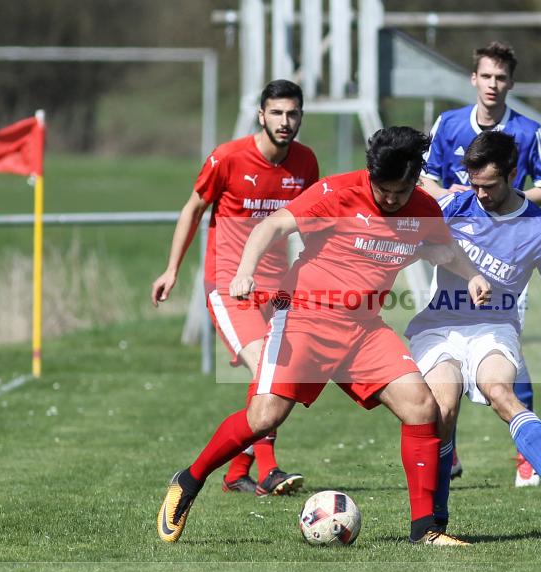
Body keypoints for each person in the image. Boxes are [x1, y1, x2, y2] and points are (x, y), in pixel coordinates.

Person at [157, 126, 492, 546]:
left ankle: (426, 531)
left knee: (422, 406)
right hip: (305, 320)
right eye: (382, 189)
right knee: (264, 418)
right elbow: (272, 226)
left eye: (399, 191)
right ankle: (188, 481)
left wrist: (473, 274)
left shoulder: (423, 207)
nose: (389, 199)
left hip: (365, 330)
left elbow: (444, 250)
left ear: (415, 181)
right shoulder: (338, 191)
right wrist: (245, 270)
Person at [405, 131, 541, 531]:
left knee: (501, 391)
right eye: (474, 184)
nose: (480, 194)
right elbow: (410, 245)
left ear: (512, 173)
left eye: (489, 185)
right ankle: (437, 517)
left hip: (494, 327)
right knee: (443, 407)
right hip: (440, 326)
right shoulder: (454, 204)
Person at [150, 80, 317, 497]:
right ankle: (269, 469)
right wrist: (172, 269)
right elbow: (192, 210)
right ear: (262, 115)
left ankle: (235, 471)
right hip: (229, 285)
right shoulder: (227, 157)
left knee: (281, 374)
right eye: (276, 113)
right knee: (268, 367)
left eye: (292, 113)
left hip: (278, 289)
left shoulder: (306, 163)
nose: (285, 121)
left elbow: (312, 222)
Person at [419, 41, 541, 486]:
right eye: (486, 76)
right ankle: (450, 452)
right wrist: (455, 201)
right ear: (474, 79)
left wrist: (507, 206)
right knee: (444, 361)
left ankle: (527, 459)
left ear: (510, 84)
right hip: (456, 251)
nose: (493, 85)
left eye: (501, 78)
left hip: (506, 260)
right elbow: (427, 177)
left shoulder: (527, 131)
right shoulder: (448, 124)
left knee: (508, 363)